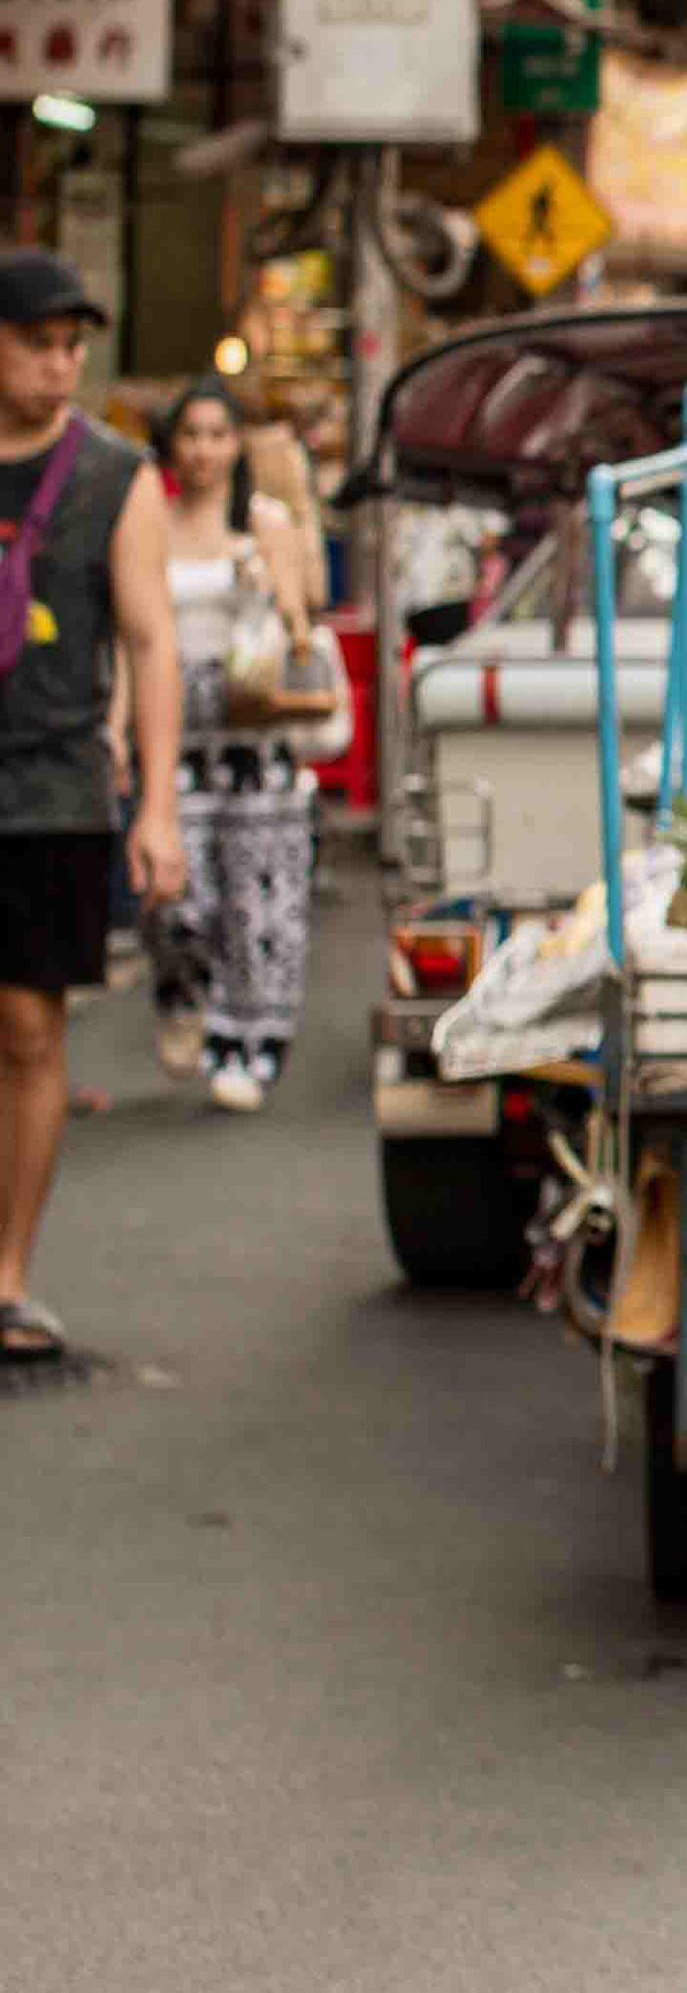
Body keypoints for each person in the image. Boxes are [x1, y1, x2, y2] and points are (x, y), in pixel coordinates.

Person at [0, 247, 182, 1365]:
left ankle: (8, 1275)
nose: (60, 364)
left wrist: (158, 805)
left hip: (53, 786)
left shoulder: (117, 475)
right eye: (37, 343)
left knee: (29, 1027)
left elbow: (152, 640)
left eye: (74, 346)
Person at [143, 372, 326, 1111]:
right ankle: (183, 996)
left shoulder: (265, 521)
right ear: (171, 445)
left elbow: (302, 617)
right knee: (174, 895)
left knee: (260, 901)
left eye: (218, 435)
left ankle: (248, 1047)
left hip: (254, 728)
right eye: (190, 434)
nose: (204, 449)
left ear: (236, 444)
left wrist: (270, 579)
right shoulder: (149, 520)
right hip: (173, 733)